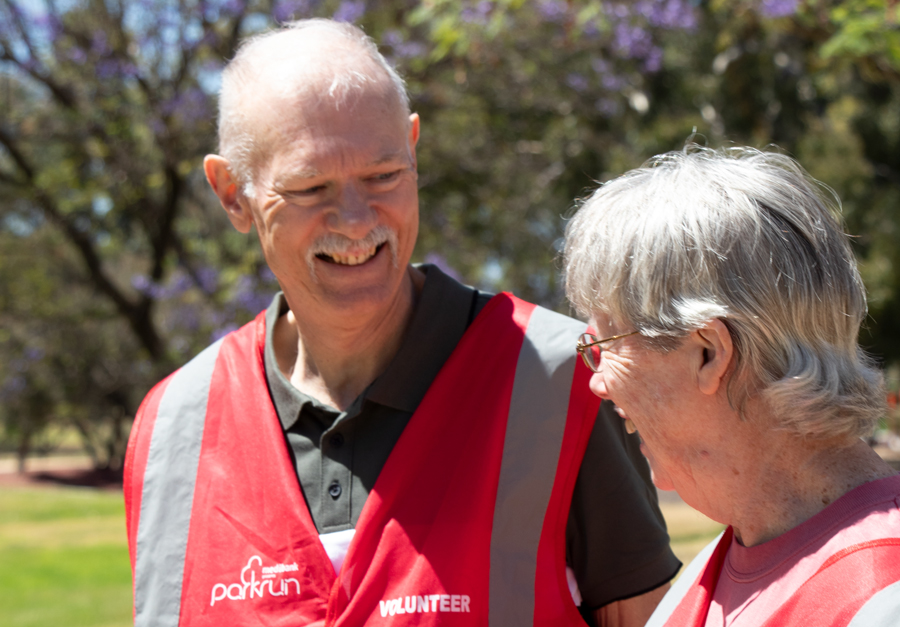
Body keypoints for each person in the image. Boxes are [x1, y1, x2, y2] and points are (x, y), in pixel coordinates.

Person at [122, 19, 679, 627]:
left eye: (383, 175)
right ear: (233, 194)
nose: (358, 220)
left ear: (413, 149)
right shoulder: (171, 428)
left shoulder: (559, 380)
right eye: (311, 187)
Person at [563, 145, 900, 627]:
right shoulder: (724, 564)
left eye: (607, 342)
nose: (597, 382)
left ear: (709, 351)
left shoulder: (881, 596)